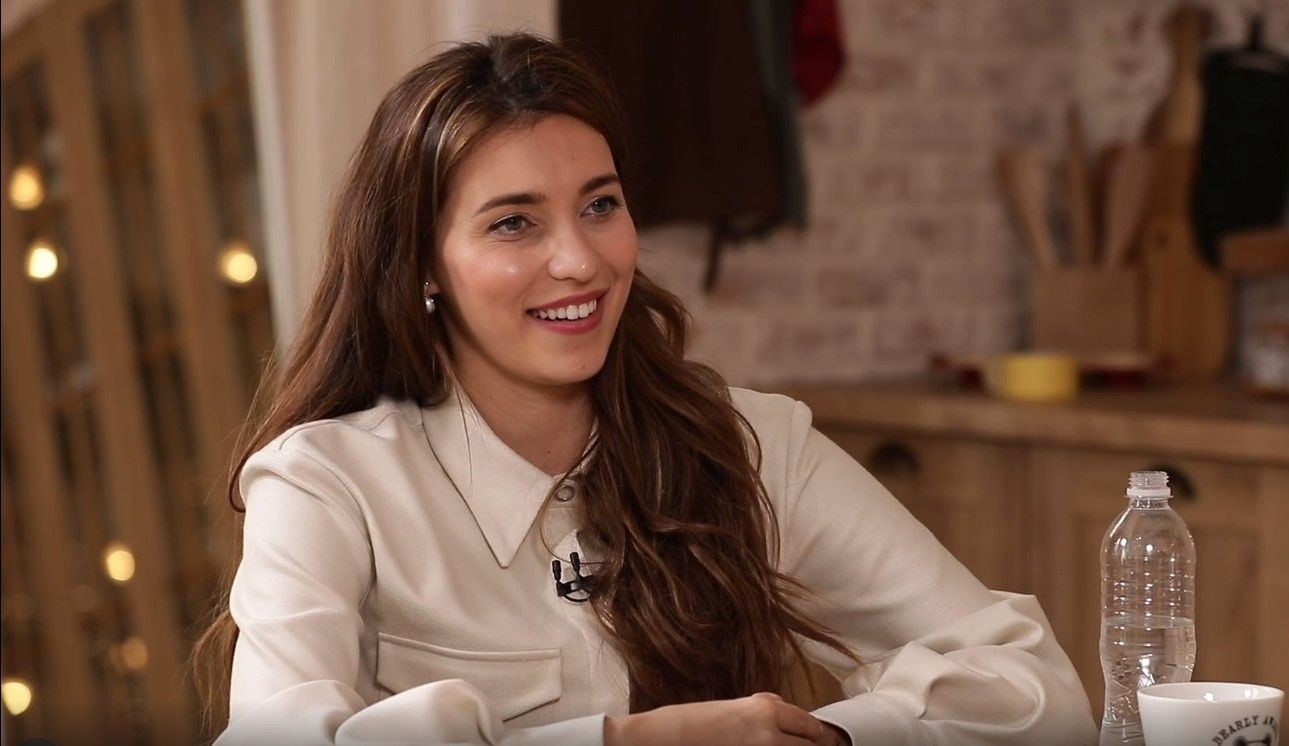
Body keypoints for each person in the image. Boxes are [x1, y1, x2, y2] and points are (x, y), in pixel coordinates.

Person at [194, 32, 1096, 746]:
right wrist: (624, 741)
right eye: (514, 223)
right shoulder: (324, 483)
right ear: (423, 265)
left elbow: (1039, 690)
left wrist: (825, 735)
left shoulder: (749, 443)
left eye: (600, 205)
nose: (580, 261)